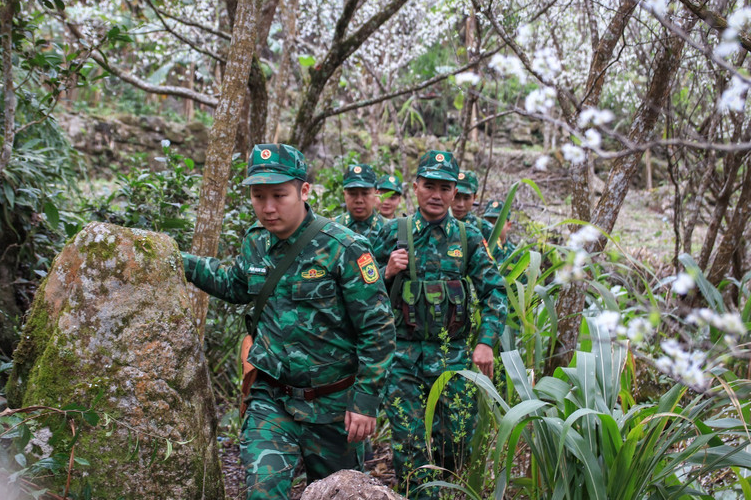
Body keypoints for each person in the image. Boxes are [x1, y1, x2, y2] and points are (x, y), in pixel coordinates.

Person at [181, 144, 395, 500]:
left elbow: (378, 329)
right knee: (263, 493)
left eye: (279, 195)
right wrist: (178, 260)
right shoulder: (256, 242)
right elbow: (235, 283)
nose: (268, 207)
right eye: (258, 196)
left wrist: (365, 400)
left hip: (333, 408)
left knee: (341, 493)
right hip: (272, 398)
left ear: (304, 190)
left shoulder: (344, 248)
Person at [372, 150, 510, 499]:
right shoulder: (393, 232)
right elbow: (358, 290)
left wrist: (485, 342)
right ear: (415, 187)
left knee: (457, 441)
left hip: (453, 362)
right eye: (429, 185)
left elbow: (495, 291)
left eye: (445, 188)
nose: (436, 194)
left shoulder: (467, 238)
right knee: (410, 447)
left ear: (454, 192)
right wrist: (385, 272)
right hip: (403, 361)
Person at [451, 170, 506, 265]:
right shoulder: (434, 222)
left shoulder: (485, 229)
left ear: (474, 198)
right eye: (456, 196)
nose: (460, 204)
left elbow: (499, 265)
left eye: (466, 198)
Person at [334, 163, 387, 242]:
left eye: (365, 193)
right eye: (352, 194)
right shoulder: (333, 227)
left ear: (376, 194)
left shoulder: (388, 229)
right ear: (344, 195)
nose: (359, 200)